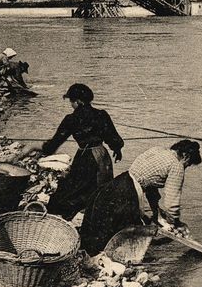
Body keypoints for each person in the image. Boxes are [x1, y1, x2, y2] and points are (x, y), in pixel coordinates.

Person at [14, 83, 125, 220]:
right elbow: (113, 138)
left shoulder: (71, 119)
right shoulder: (101, 114)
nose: (71, 105)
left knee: (71, 192)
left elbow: (51, 146)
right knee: (100, 190)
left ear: (77, 101)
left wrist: (31, 147)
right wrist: (117, 150)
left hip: (86, 158)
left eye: (71, 101)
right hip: (102, 156)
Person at [79, 140, 202, 256]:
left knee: (103, 222)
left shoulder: (158, 150)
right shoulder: (177, 166)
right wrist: (175, 223)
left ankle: (92, 252)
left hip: (120, 182)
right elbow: (172, 201)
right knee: (126, 228)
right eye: (188, 164)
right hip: (129, 192)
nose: (186, 167)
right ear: (186, 156)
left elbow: (150, 184)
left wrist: (156, 211)